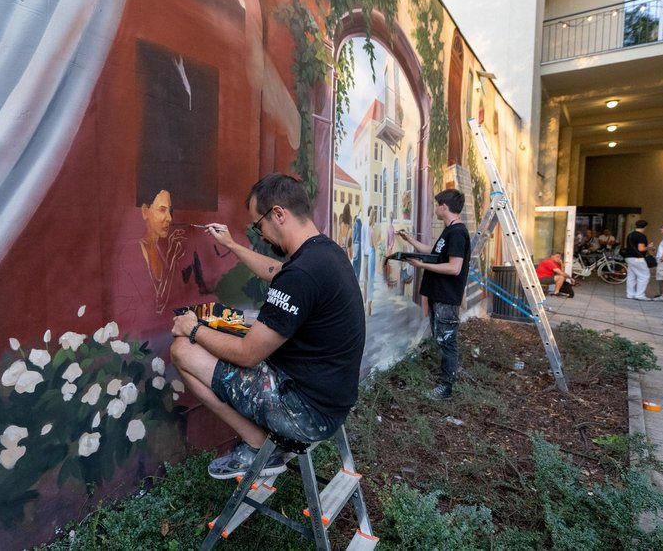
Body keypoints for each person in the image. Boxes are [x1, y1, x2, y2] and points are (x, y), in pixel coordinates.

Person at [170, 173, 366, 479]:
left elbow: (248, 355)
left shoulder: (301, 274)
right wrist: (232, 246)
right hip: (329, 403)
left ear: (278, 213)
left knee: (182, 350)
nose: (260, 235)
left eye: (259, 225)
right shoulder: (324, 254)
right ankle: (262, 442)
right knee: (232, 331)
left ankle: (259, 444)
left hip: (306, 414)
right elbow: (278, 271)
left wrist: (193, 328)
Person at [396, 189, 471, 400]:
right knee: (443, 339)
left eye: (437, 205)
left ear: (444, 207)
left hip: (446, 297)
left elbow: (454, 267)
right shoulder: (450, 231)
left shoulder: (457, 233)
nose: (436, 209)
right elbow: (435, 253)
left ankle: (446, 387)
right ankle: (452, 371)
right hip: (440, 295)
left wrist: (420, 265)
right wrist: (410, 240)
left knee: (446, 340)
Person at [139, 189, 186, 314]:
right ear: (145, 211)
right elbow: (156, 306)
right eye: (162, 210)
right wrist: (171, 258)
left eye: (170, 211)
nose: (169, 218)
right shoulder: (133, 253)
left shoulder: (161, 250)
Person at [624, 219, 653, 301]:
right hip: (637, 258)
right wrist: (649, 247)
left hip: (628, 257)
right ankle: (640, 295)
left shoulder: (630, 235)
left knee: (631, 276)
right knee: (644, 276)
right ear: (645, 227)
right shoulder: (641, 236)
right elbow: (641, 248)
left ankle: (630, 294)